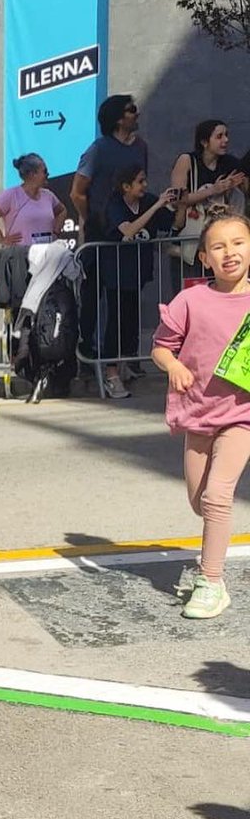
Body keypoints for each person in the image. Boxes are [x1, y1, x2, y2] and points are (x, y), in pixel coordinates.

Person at [151, 214, 250, 619]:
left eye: (239, 242)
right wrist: (173, 366)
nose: (230, 253)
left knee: (217, 496)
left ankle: (212, 582)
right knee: (199, 501)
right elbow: (161, 347)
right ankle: (207, 564)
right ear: (204, 257)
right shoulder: (190, 300)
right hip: (198, 414)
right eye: (219, 247)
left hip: (241, 417)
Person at [71, 95, 148, 361]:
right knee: (93, 296)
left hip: (129, 236)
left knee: (126, 298)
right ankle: (88, 352)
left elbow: (140, 188)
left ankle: (127, 355)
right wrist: (93, 219)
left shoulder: (141, 148)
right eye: (131, 110)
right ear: (118, 118)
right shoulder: (98, 149)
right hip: (100, 238)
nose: (136, 114)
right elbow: (77, 192)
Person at [100, 167, 185, 399]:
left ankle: (127, 362)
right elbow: (128, 230)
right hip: (116, 273)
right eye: (140, 181)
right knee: (115, 323)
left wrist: (180, 204)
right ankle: (111, 372)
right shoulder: (116, 204)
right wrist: (156, 206)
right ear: (126, 186)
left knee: (130, 320)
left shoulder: (147, 200)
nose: (145, 185)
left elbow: (173, 225)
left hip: (137, 272)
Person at [170, 120, 248, 283]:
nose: (225, 140)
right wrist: (213, 190)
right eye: (219, 136)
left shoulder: (229, 163)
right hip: (190, 240)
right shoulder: (187, 160)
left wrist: (233, 189)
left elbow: (242, 191)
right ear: (204, 142)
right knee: (192, 289)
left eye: (226, 135)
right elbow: (177, 199)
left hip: (218, 240)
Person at [0, 154, 68, 246]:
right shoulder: (12, 195)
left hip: (45, 255)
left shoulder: (48, 196)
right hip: (20, 256)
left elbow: (62, 211)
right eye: (44, 171)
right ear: (32, 174)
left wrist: (56, 231)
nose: (48, 174)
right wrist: (2, 239)